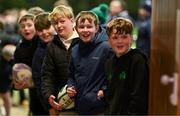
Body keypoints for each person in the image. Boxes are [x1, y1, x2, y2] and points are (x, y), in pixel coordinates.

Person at [66, 11, 112, 115]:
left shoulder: (106, 48)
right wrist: (70, 86)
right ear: (76, 29)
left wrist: (104, 91)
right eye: (81, 27)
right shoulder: (74, 49)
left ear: (96, 28)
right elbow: (71, 75)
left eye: (89, 26)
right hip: (80, 107)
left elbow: (113, 75)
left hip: (100, 108)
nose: (85, 30)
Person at [104, 17, 149, 115]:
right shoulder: (109, 63)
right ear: (109, 41)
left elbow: (139, 97)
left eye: (124, 37)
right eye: (115, 38)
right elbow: (111, 95)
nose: (120, 41)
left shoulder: (138, 60)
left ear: (132, 39)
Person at [40, 5, 79, 115]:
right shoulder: (52, 46)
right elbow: (47, 75)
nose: (59, 25)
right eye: (55, 23)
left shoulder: (83, 40)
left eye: (62, 21)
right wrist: (48, 95)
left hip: (85, 101)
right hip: (63, 104)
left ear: (72, 21)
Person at [13, 14, 41, 115]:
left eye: (29, 25)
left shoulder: (43, 42)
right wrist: (16, 83)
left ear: (36, 26)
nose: (26, 28)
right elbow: (17, 70)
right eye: (23, 26)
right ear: (20, 29)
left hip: (49, 90)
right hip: (33, 93)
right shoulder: (19, 48)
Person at [32, 12, 56, 115]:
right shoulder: (39, 53)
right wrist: (48, 106)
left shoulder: (65, 43)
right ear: (37, 32)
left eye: (47, 27)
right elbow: (39, 82)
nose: (45, 32)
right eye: (40, 30)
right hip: (52, 101)